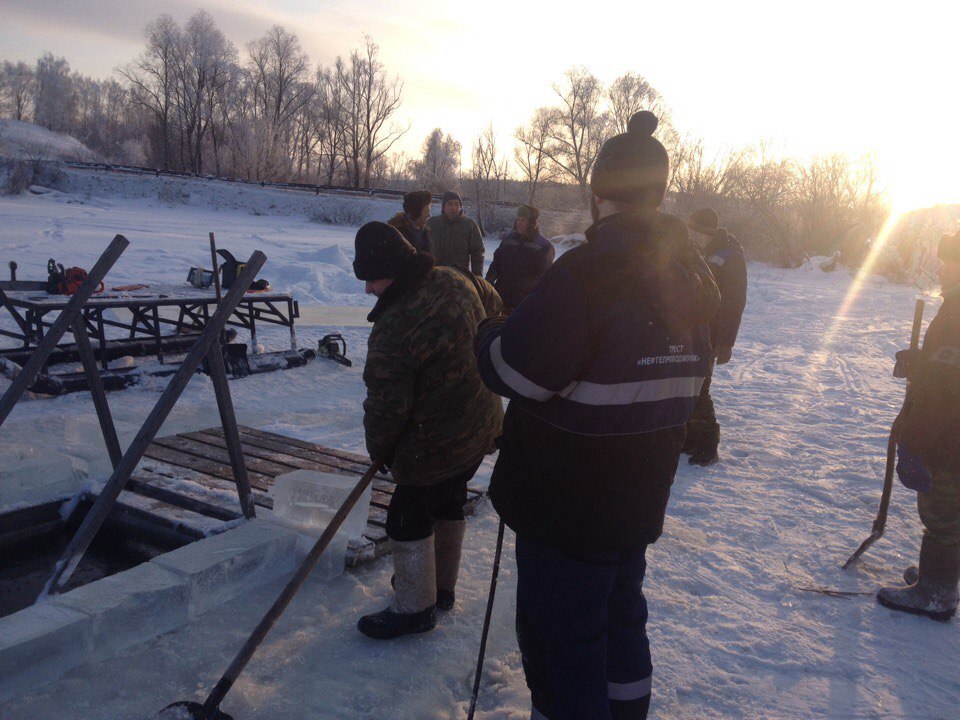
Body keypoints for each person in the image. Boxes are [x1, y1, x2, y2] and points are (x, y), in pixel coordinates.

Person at [475, 111, 719, 720]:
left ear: (598, 193)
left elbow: (515, 370)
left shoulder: (588, 273)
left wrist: (490, 334)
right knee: (618, 623)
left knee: (563, 640)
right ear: (660, 195)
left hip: (566, 501)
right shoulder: (694, 273)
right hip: (638, 494)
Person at [352, 221, 503, 640]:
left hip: (436, 440)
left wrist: (379, 450)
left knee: (406, 515)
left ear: (393, 271)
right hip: (482, 422)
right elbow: (496, 308)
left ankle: (415, 608)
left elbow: (387, 407)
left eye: (371, 279)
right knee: (449, 498)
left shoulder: (395, 328)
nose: (368, 290)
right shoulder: (457, 277)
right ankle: (441, 589)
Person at [877, 229, 960, 622]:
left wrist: (914, 444)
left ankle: (936, 593)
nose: (942, 267)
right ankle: (939, 577)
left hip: (950, 441)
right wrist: (922, 362)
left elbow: (944, 394)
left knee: (943, 514)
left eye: (948, 260)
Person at [682, 208, 748, 466]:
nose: (691, 235)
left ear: (706, 232)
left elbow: (735, 301)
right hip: (693, 330)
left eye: (695, 231)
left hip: (712, 334)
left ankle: (708, 446)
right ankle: (689, 439)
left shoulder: (730, 256)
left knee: (700, 387)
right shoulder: (698, 250)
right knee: (689, 385)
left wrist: (727, 341)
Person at [485, 204, 556, 312]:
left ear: (532, 223)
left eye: (523, 220)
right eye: (518, 219)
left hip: (525, 305)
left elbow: (544, 278)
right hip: (501, 299)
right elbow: (496, 264)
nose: (519, 223)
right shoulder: (508, 240)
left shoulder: (544, 246)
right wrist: (488, 283)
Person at [426, 190, 484, 274]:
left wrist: (477, 275)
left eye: (457, 204)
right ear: (443, 206)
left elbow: (478, 252)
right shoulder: (431, 223)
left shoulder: (470, 225)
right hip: (435, 276)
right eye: (450, 204)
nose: (454, 207)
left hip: (460, 278)